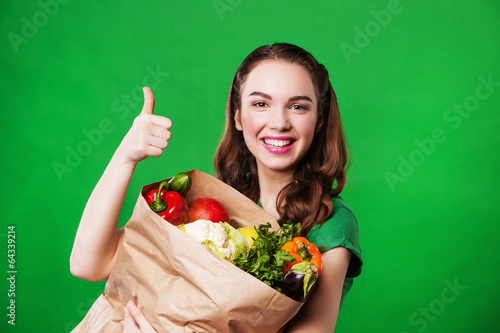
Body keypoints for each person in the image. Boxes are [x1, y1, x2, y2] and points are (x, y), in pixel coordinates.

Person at [70, 43, 362, 333]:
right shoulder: (215, 204)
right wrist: (125, 157)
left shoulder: (329, 223)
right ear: (237, 116)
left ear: (320, 119)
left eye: (297, 106)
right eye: (261, 104)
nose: (279, 122)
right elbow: (90, 263)